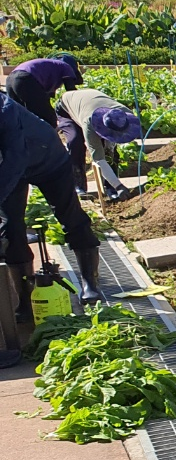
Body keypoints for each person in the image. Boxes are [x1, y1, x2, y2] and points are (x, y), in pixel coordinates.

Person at [0, 93, 104, 306]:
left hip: (48, 160)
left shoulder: (5, 111)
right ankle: (26, 300)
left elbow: (15, 160)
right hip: (9, 164)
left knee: (70, 216)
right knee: (11, 228)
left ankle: (90, 284)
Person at [55, 88, 140, 198]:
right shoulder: (89, 122)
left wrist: (110, 147)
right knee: (75, 142)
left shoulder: (124, 114)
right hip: (66, 107)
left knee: (110, 151)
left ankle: (111, 188)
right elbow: (98, 159)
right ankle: (78, 186)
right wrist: (119, 186)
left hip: (90, 101)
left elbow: (110, 146)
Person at [4, 54, 82, 127]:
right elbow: (71, 92)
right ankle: (49, 139)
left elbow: (46, 97)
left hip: (10, 79)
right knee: (47, 117)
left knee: (19, 116)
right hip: (25, 79)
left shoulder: (51, 66)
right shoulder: (66, 66)